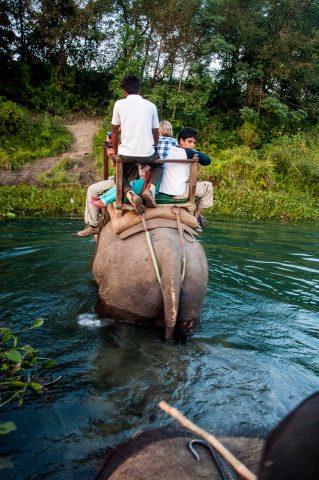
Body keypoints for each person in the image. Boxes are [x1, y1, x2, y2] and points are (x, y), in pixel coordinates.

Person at [92, 120, 178, 209]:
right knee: (125, 182)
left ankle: (104, 200)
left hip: (145, 178)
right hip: (162, 178)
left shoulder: (150, 144)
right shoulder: (175, 143)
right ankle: (103, 198)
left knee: (125, 184)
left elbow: (149, 168)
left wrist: (112, 149)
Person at [109, 74, 161, 213]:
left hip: (126, 154)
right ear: (140, 89)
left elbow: (114, 132)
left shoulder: (119, 104)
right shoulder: (151, 106)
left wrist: (114, 152)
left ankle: (130, 195)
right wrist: (153, 148)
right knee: (158, 165)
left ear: (124, 90)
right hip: (147, 154)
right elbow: (156, 132)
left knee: (119, 176)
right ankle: (150, 189)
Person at [159, 127, 213, 226]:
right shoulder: (187, 152)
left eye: (194, 142)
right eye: (189, 141)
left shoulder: (172, 150)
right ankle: (195, 217)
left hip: (165, 189)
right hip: (179, 192)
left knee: (189, 183)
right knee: (208, 186)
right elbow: (207, 161)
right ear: (181, 141)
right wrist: (195, 152)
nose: (192, 145)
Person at [76, 131, 115, 237]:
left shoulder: (120, 147)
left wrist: (111, 151)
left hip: (122, 180)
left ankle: (93, 225)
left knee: (92, 189)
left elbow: (115, 164)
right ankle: (91, 222)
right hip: (124, 178)